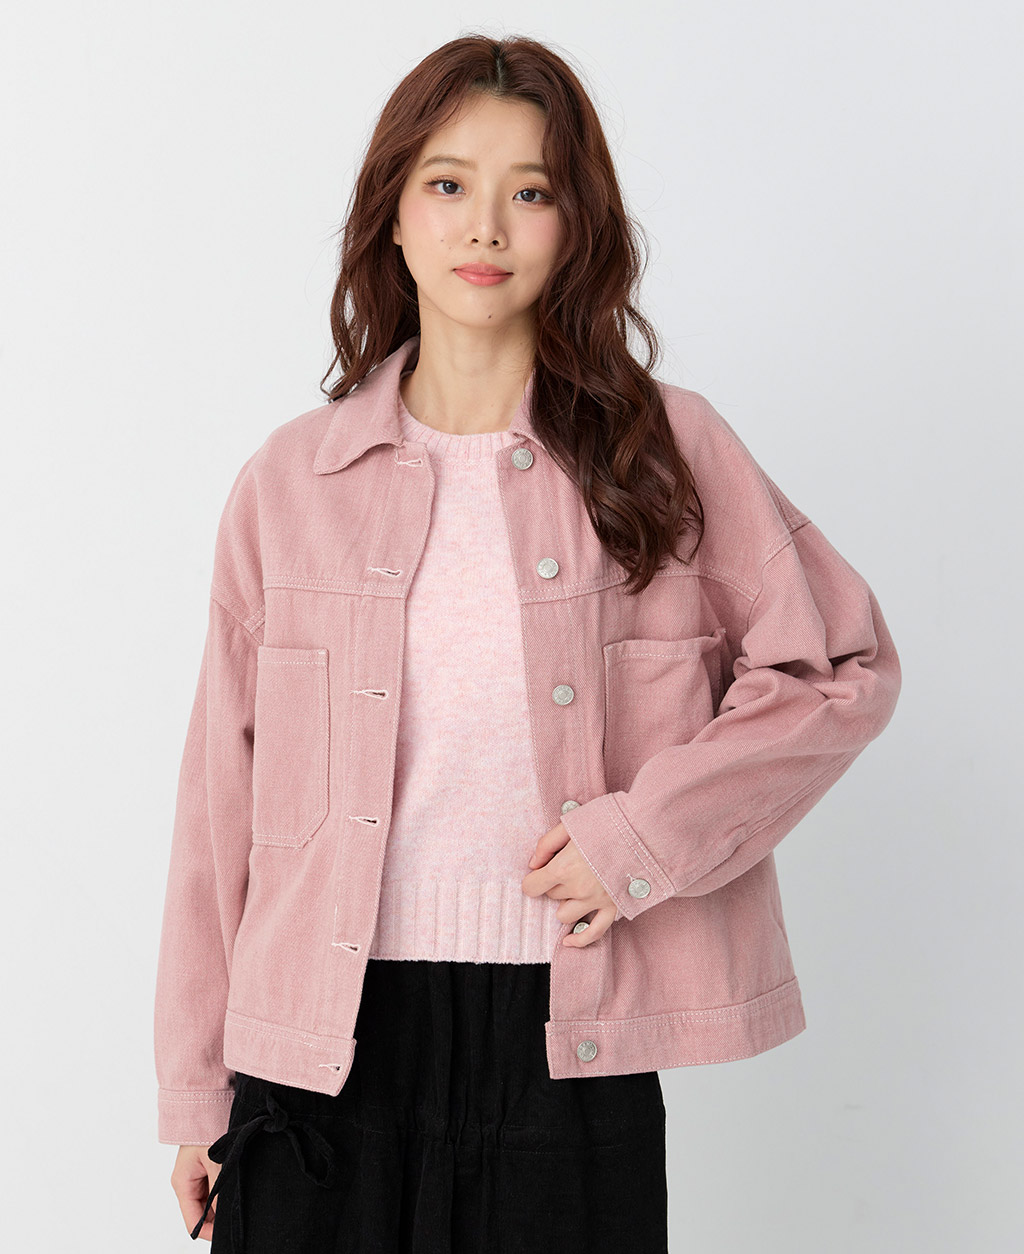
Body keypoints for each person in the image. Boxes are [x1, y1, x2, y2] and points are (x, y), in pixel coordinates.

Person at [155, 32, 902, 1254]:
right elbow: (216, 807)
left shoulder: (665, 452)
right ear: (393, 214)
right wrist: (198, 1094)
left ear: (576, 226)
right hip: (316, 1052)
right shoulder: (291, 482)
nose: (485, 227)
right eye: (448, 184)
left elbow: (837, 673)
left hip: (568, 1045)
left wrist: (643, 841)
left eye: (532, 192)